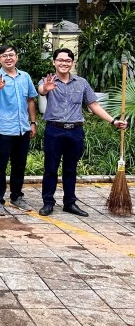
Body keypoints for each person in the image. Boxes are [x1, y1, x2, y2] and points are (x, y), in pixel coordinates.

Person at [37, 48, 128, 217]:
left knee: (70, 169)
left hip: (75, 132)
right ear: (54, 62)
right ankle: (48, 203)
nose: (64, 63)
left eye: (67, 60)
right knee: (50, 169)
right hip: (54, 130)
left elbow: (93, 105)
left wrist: (113, 121)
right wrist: (46, 88)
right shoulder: (47, 80)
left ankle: (69, 203)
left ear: (72, 63)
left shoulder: (82, 83)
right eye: (60, 60)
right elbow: (41, 90)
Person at [0, 45, 38, 217]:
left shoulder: (25, 77)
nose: (8, 58)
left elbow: (30, 100)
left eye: (11, 55)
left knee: (19, 164)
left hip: (22, 128)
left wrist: (33, 122)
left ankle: (16, 196)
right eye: (4, 56)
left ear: (17, 57)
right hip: (2, 129)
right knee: (0, 166)